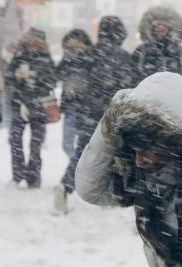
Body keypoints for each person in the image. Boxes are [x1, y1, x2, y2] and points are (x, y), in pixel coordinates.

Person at [75, 72, 182, 266]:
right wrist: (110, 125)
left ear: (177, 144)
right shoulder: (145, 180)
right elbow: (90, 190)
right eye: (134, 150)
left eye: (148, 150)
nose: (139, 161)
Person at [54, 16, 132, 214]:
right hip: (114, 113)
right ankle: (109, 193)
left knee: (83, 152)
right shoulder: (123, 57)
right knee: (116, 154)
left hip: (88, 113)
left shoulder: (88, 54)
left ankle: (65, 186)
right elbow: (130, 87)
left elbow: (72, 81)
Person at [6, 28, 56, 188]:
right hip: (19, 105)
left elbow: (51, 82)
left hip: (39, 107)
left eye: (36, 43)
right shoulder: (19, 56)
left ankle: (33, 176)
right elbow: (8, 77)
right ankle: (17, 174)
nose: (32, 46)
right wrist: (16, 76)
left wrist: (35, 77)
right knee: (15, 140)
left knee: (36, 144)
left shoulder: (46, 60)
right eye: (30, 43)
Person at [132, 7, 182, 94]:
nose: (160, 28)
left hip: (176, 102)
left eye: (164, 25)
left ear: (170, 29)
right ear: (151, 28)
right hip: (145, 103)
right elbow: (131, 79)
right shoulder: (141, 52)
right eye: (157, 25)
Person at [56, 29, 93, 159]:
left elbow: (94, 76)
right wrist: (69, 58)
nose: (76, 46)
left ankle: (75, 170)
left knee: (85, 144)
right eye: (73, 44)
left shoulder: (91, 57)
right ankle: (75, 165)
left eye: (79, 43)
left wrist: (83, 55)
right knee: (67, 144)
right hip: (70, 105)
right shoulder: (67, 59)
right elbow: (57, 75)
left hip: (86, 106)